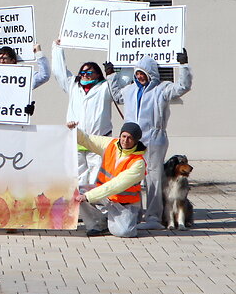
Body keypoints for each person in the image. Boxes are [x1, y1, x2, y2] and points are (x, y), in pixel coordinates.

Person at [108, 51, 192, 230]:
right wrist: (111, 75)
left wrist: (183, 66)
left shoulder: (162, 89)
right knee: (132, 178)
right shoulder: (130, 89)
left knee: (153, 179)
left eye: (143, 73)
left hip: (154, 139)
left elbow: (182, 87)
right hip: (132, 141)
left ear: (151, 74)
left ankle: (153, 216)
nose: (140, 76)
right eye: (138, 73)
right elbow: (116, 95)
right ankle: (135, 213)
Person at [51, 40, 114, 187]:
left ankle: (95, 209)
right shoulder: (73, 86)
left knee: (96, 178)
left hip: (97, 140)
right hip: (77, 140)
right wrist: (57, 49)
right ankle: (80, 209)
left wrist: (112, 73)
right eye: (83, 72)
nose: (85, 75)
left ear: (98, 74)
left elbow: (120, 85)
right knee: (78, 178)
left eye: (89, 72)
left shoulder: (105, 88)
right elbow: (59, 72)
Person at [68, 121, 147, 238]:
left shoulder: (138, 163)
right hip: (106, 198)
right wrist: (74, 130)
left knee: (125, 232)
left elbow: (115, 185)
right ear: (120, 136)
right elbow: (87, 140)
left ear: (136, 141)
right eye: (123, 136)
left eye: (130, 138)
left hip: (125, 204)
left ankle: (132, 218)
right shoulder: (110, 144)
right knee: (78, 192)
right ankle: (99, 226)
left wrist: (88, 196)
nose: (125, 140)